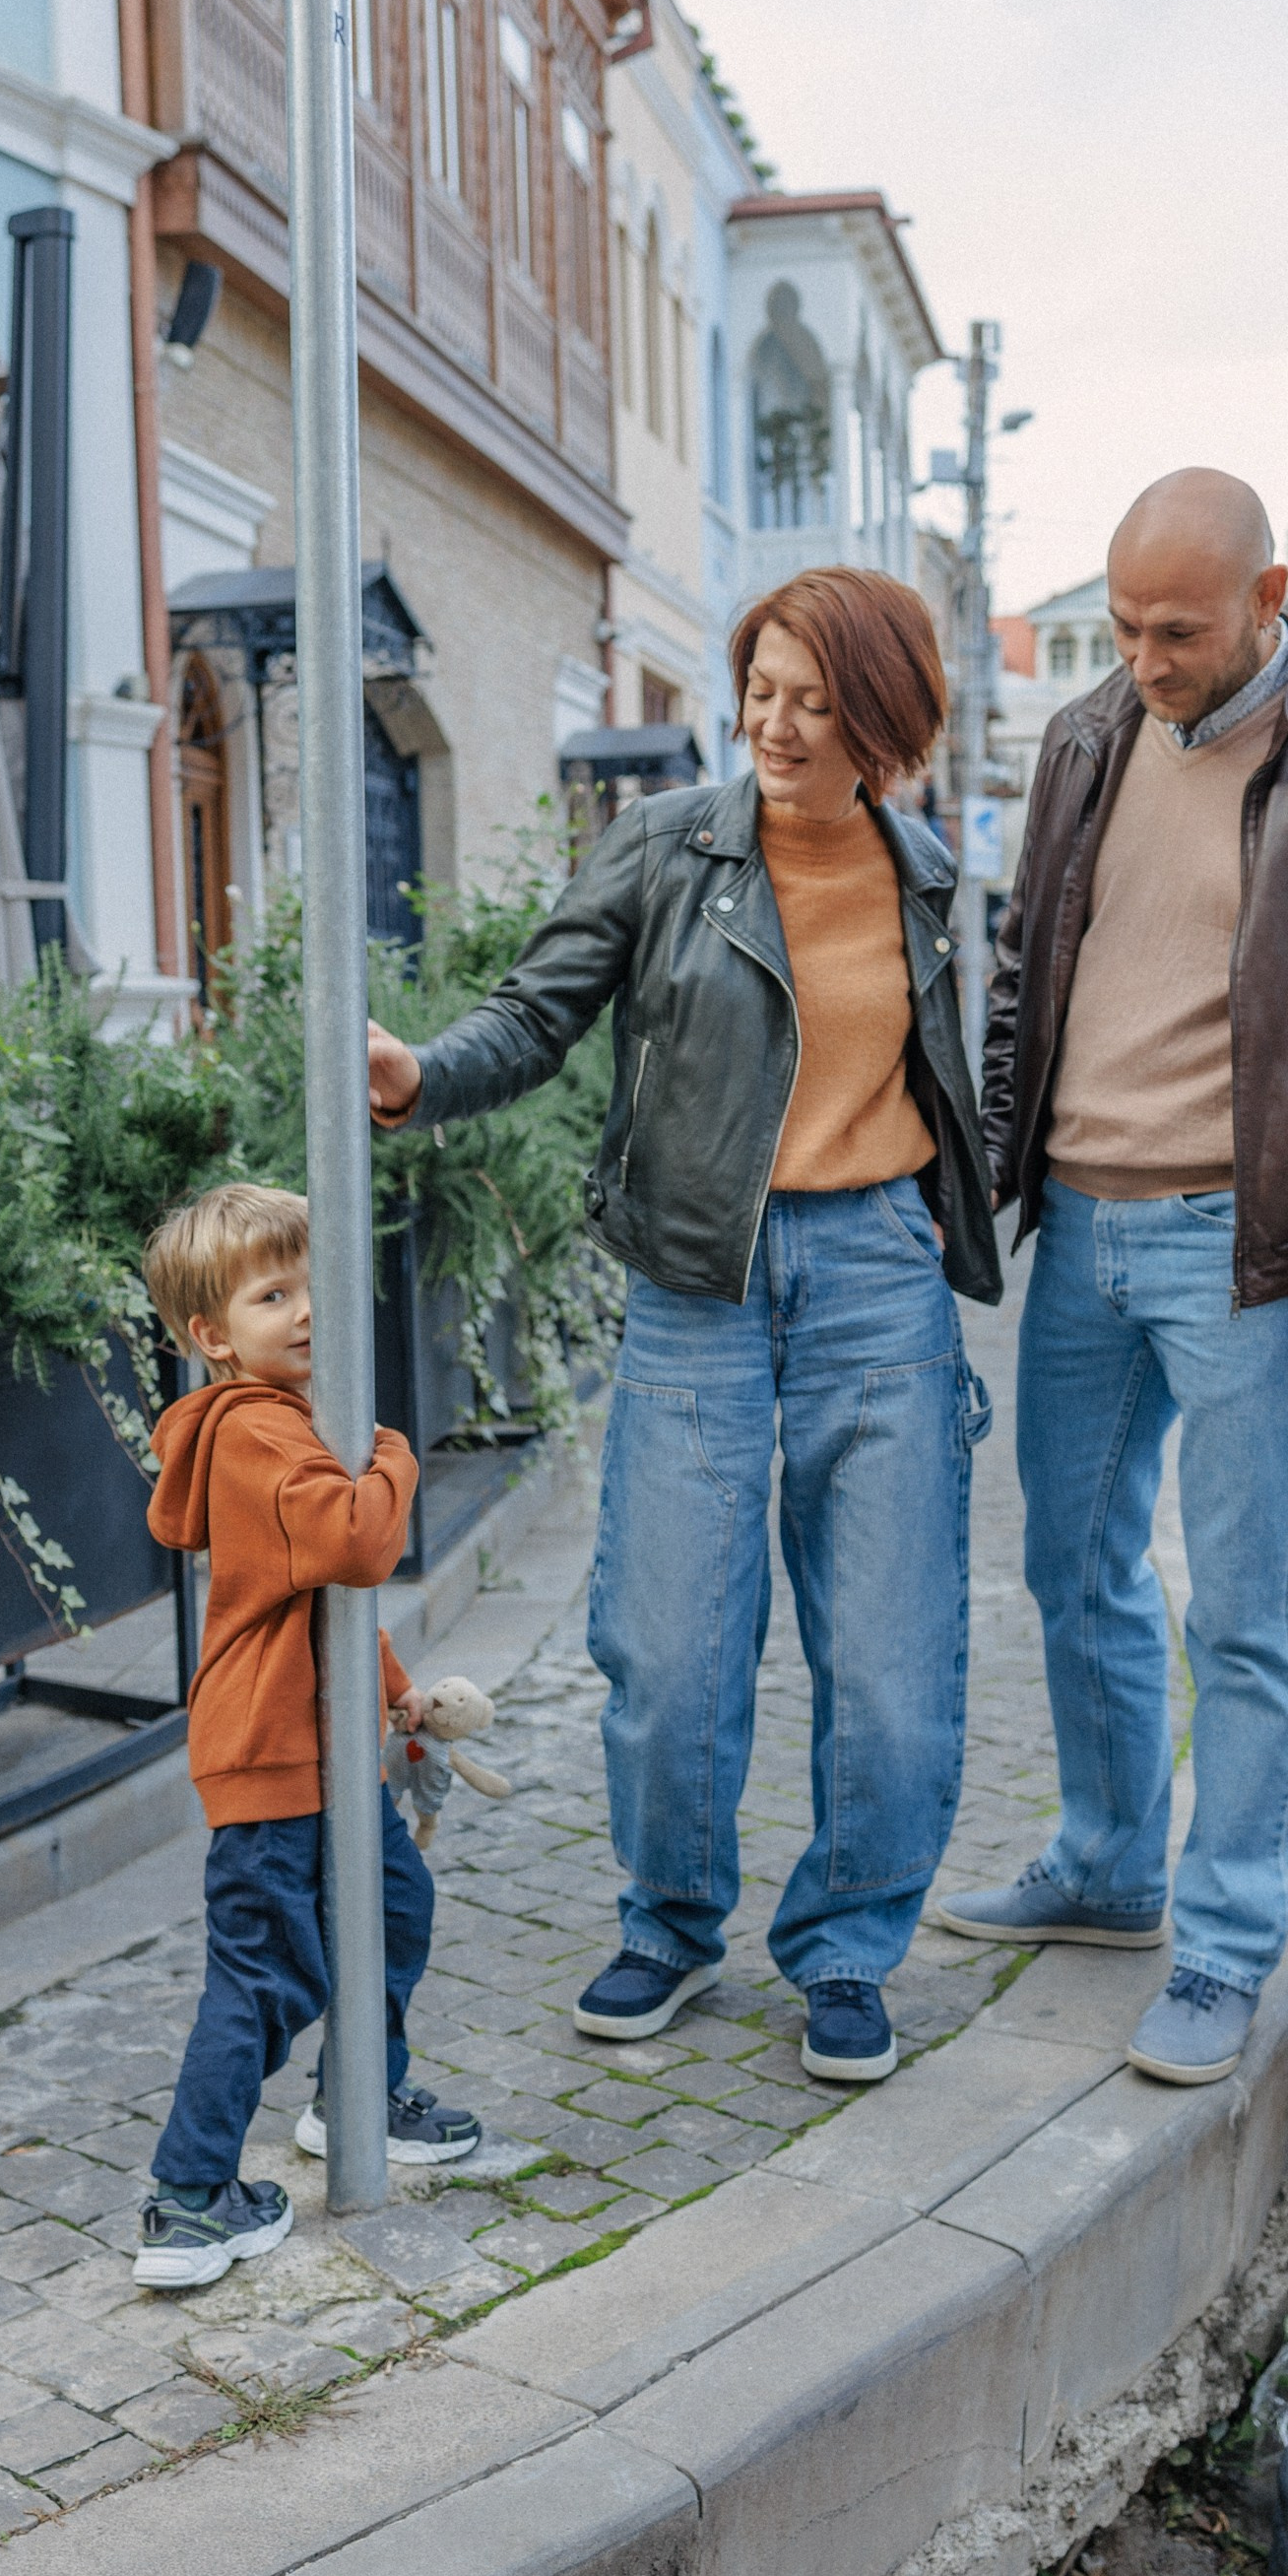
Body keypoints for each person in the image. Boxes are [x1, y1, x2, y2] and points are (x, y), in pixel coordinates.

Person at [367, 569, 1000, 2085]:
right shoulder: (664, 846)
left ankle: (848, 1951)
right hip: (697, 1290)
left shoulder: (924, 873)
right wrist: (418, 1075)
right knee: (666, 1648)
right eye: (761, 690)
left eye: (814, 702)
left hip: (876, 1280)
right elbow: (536, 1016)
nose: (774, 725)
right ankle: (668, 1923)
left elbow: (953, 1072)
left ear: (885, 724)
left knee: (894, 1665)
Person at [935, 469, 1288, 2085]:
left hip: (1248, 1246)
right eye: (1119, 625)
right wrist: (988, 1177)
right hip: (1084, 1238)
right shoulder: (1082, 737)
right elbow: (1027, 975)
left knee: (1247, 1615)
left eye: (1175, 628)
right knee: (1075, 1568)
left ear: (1270, 596)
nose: (1144, 656)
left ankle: (1229, 1939)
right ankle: (1110, 1864)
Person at [131, 1182, 481, 2291]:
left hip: (322, 1740)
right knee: (266, 1975)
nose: (302, 1310)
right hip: (272, 1756)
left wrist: (390, 1693)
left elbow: (320, 1606)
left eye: (309, 1284)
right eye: (269, 1293)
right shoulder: (257, 1433)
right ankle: (188, 2200)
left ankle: (357, 2099)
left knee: (391, 1910)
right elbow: (353, 1544)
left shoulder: (288, 1422)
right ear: (209, 1337)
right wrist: (391, 1450)